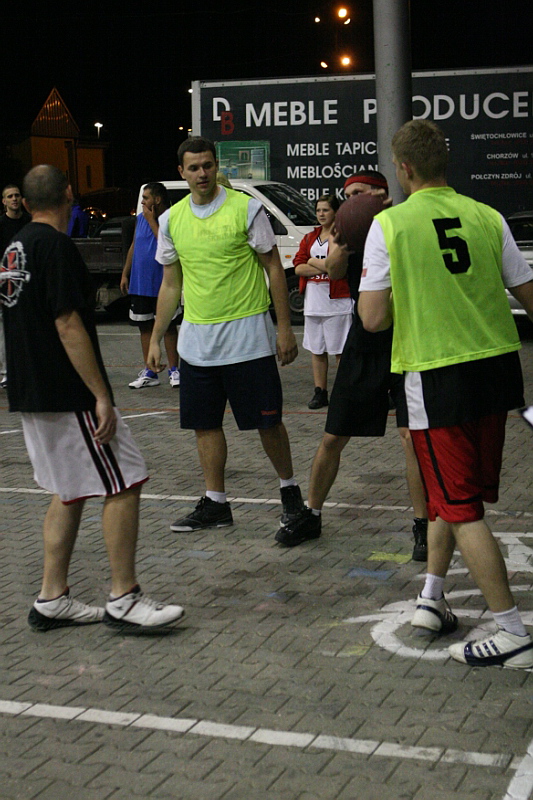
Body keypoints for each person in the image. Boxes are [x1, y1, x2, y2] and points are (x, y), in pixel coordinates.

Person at [358, 119, 533, 669]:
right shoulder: (487, 216)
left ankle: (512, 631)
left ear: (404, 168)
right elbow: (528, 293)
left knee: (460, 507)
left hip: (437, 374)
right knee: (448, 494)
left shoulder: (390, 224)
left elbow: (372, 318)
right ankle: (432, 599)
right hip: (497, 370)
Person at [1, 165, 184, 633]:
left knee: (70, 490)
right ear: (68, 193)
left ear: (25, 201)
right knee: (125, 479)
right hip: (67, 392)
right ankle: (124, 597)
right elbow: (67, 324)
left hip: (32, 390)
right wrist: (101, 394)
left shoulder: (15, 246)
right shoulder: (56, 246)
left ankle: (52, 598)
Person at [147, 136, 304, 535]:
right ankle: (216, 502)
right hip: (197, 344)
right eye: (194, 168)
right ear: (181, 173)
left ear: (217, 167)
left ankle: (291, 495)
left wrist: (284, 328)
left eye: (208, 165)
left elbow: (273, 268)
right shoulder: (171, 220)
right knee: (205, 425)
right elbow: (170, 284)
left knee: (268, 424)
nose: (202, 173)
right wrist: (156, 338)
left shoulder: (246, 208)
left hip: (248, 339)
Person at [276, 172, 429, 561]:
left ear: (381, 194)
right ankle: (311, 514)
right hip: (365, 343)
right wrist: (340, 241)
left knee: (411, 439)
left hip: (408, 341)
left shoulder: (407, 222)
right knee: (333, 436)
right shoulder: (349, 233)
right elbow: (336, 271)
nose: (351, 202)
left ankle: (423, 525)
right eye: (347, 196)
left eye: (358, 194)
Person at [120, 182, 181, 389]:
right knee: (144, 326)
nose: (143, 202)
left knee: (169, 326)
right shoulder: (140, 219)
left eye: (146, 198)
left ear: (158, 199)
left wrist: (151, 220)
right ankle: (150, 371)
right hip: (140, 283)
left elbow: (166, 244)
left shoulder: (170, 218)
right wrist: (125, 273)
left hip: (163, 283)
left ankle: (174, 370)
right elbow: (134, 245)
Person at [295, 194, 352, 409]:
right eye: (318, 210)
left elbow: (338, 268)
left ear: (336, 212)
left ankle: (344, 391)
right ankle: (320, 392)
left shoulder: (342, 236)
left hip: (338, 301)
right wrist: (324, 265)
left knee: (340, 350)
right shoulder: (310, 237)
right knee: (317, 349)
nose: (321, 214)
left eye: (325, 210)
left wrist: (315, 262)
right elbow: (298, 266)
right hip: (314, 301)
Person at [0, 184, 31, 389]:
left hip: (26, 282)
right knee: (3, 330)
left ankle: (28, 370)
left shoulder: (29, 222)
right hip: (5, 283)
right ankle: (5, 372)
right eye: (10, 196)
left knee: (27, 327)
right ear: (4, 201)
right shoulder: (1, 224)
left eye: (17, 195)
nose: (14, 199)